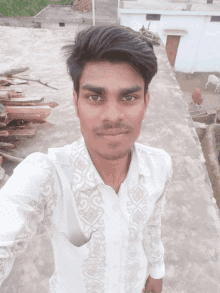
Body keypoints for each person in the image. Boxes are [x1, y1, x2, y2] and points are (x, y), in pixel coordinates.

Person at [0, 25, 173, 293]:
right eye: (95, 96)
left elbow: (152, 225)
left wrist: (156, 272)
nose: (113, 115)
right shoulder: (47, 174)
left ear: (146, 102)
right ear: (76, 102)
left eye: (129, 97)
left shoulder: (159, 165)